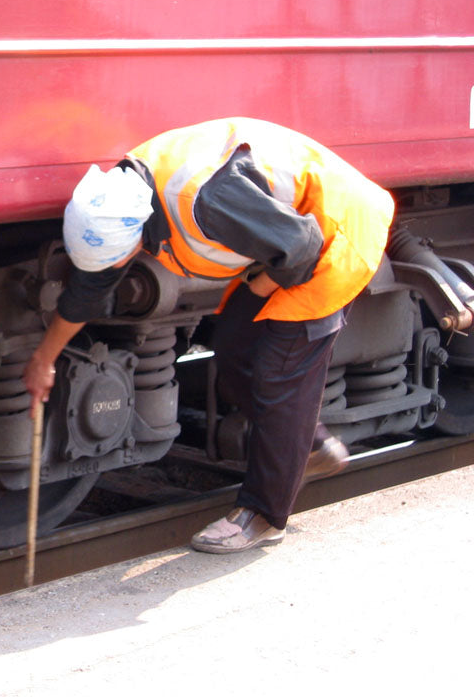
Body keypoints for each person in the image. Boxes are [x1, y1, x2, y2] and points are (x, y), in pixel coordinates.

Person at [23, 117, 395, 554]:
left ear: (135, 239)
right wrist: (44, 359)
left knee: (279, 372)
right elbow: (90, 289)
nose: (113, 269)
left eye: (116, 262)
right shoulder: (121, 198)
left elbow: (302, 249)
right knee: (234, 347)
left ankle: (262, 517)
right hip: (288, 238)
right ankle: (310, 446)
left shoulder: (208, 201)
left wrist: (257, 289)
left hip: (334, 235)